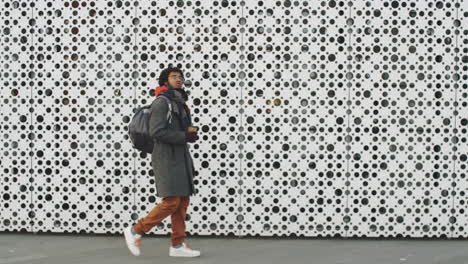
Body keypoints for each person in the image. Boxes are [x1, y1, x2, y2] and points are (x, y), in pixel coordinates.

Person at [124, 67, 201, 257]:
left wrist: (188, 134)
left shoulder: (180, 104)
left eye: (181, 77)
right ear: (165, 81)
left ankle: (177, 245)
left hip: (180, 157)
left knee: (182, 201)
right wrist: (184, 136)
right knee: (171, 201)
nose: (179, 79)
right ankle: (135, 230)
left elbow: (176, 130)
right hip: (166, 158)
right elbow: (156, 132)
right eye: (174, 77)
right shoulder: (162, 102)